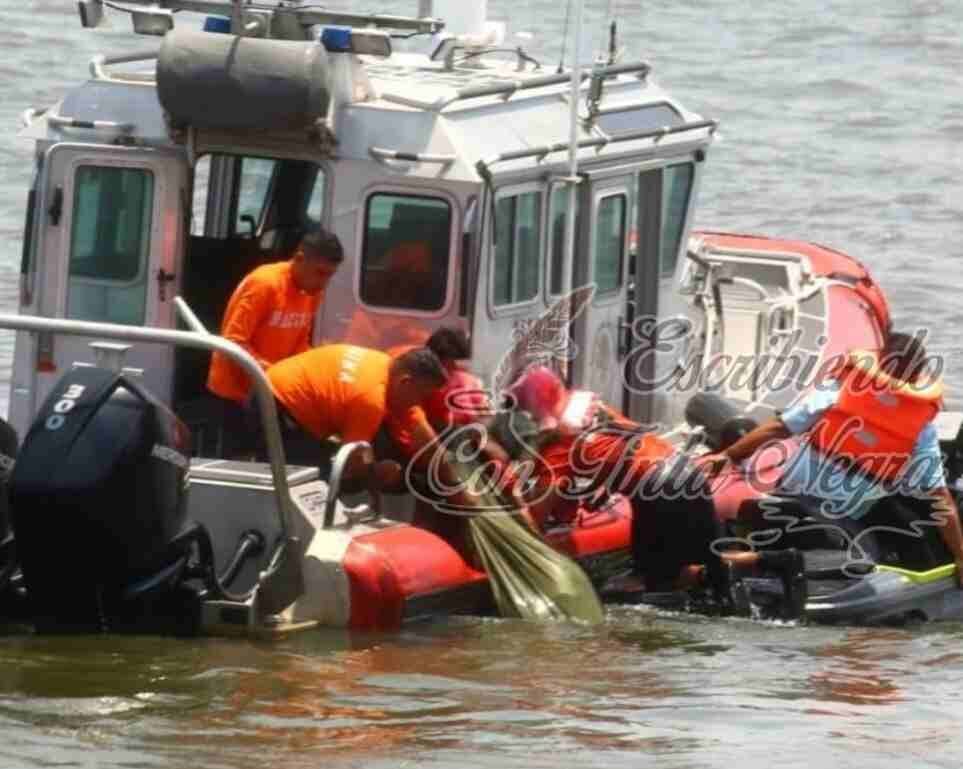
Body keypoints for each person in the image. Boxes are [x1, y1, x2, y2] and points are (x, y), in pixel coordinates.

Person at [698, 331, 963, 586]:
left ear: (880, 361)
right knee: (889, 547)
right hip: (842, 511)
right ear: (917, 374)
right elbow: (939, 497)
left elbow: (780, 427)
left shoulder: (842, 387)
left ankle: (718, 563)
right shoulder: (920, 426)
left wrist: (729, 455)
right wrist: (961, 556)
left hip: (789, 492)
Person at [206, 229, 343, 453]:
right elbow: (234, 342)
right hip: (235, 392)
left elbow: (300, 341)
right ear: (299, 259)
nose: (324, 283)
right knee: (237, 463)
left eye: (330, 275)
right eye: (320, 273)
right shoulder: (265, 283)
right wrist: (272, 373)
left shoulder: (312, 291)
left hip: (270, 391)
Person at [255, 344, 449, 488]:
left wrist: (452, 480)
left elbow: (424, 435)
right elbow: (351, 464)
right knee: (313, 483)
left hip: (273, 387)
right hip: (278, 408)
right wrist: (382, 472)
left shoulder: (384, 363)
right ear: (406, 383)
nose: (420, 403)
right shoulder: (371, 399)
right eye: (422, 396)